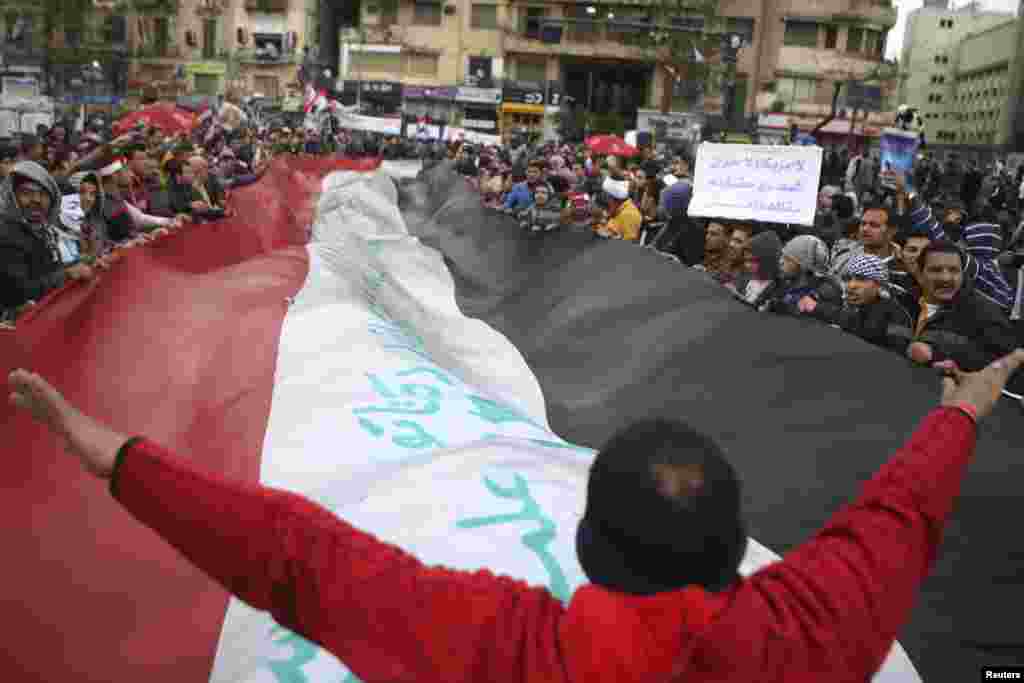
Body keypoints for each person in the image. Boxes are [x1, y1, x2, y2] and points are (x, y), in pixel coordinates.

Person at [8, 347, 1024, 683]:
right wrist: (959, 414)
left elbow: (300, 559)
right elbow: (894, 519)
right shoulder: (814, 625)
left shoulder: (502, 646)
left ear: (585, 545)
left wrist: (119, 459)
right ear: (736, 548)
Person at [899, 240, 1017, 372]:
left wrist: (936, 356)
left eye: (954, 270)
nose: (946, 278)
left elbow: (1005, 364)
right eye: (936, 270)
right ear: (920, 274)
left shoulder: (985, 313)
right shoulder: (901, 303)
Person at [0, 161, 94, 313]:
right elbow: (16, 293)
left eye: (43, 194)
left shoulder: (42, 230)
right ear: (13, 198)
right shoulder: (6, 234)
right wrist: (66, 275)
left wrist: (86, 264)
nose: (36, 200)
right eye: (26, 193)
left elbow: (46, 271)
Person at [593, 175, 641, 242]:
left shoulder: (629, 214)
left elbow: (628, 245)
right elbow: (611, 229)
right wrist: (599, 222)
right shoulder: (618, 209)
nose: (607, 200)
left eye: (608, 196)